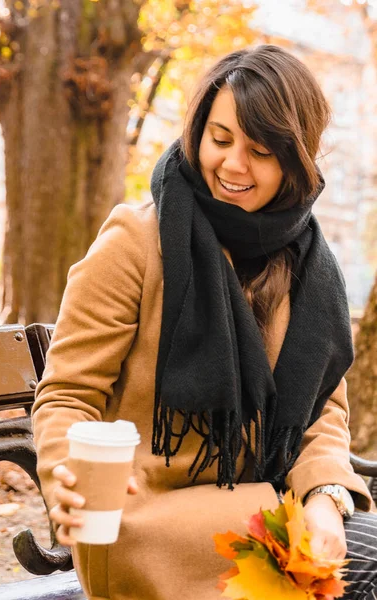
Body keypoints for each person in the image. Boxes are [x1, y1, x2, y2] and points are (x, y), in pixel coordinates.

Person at [32, 44, 377, 600]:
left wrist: (327, 498)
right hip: (149, 524)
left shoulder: (309, 265)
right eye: (220, 140)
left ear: (297, 159)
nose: (233, 164)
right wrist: (70, 473)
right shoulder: (136, 242)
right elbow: (66, 395)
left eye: (260, 150)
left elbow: (321, 417)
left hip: (271, 514)